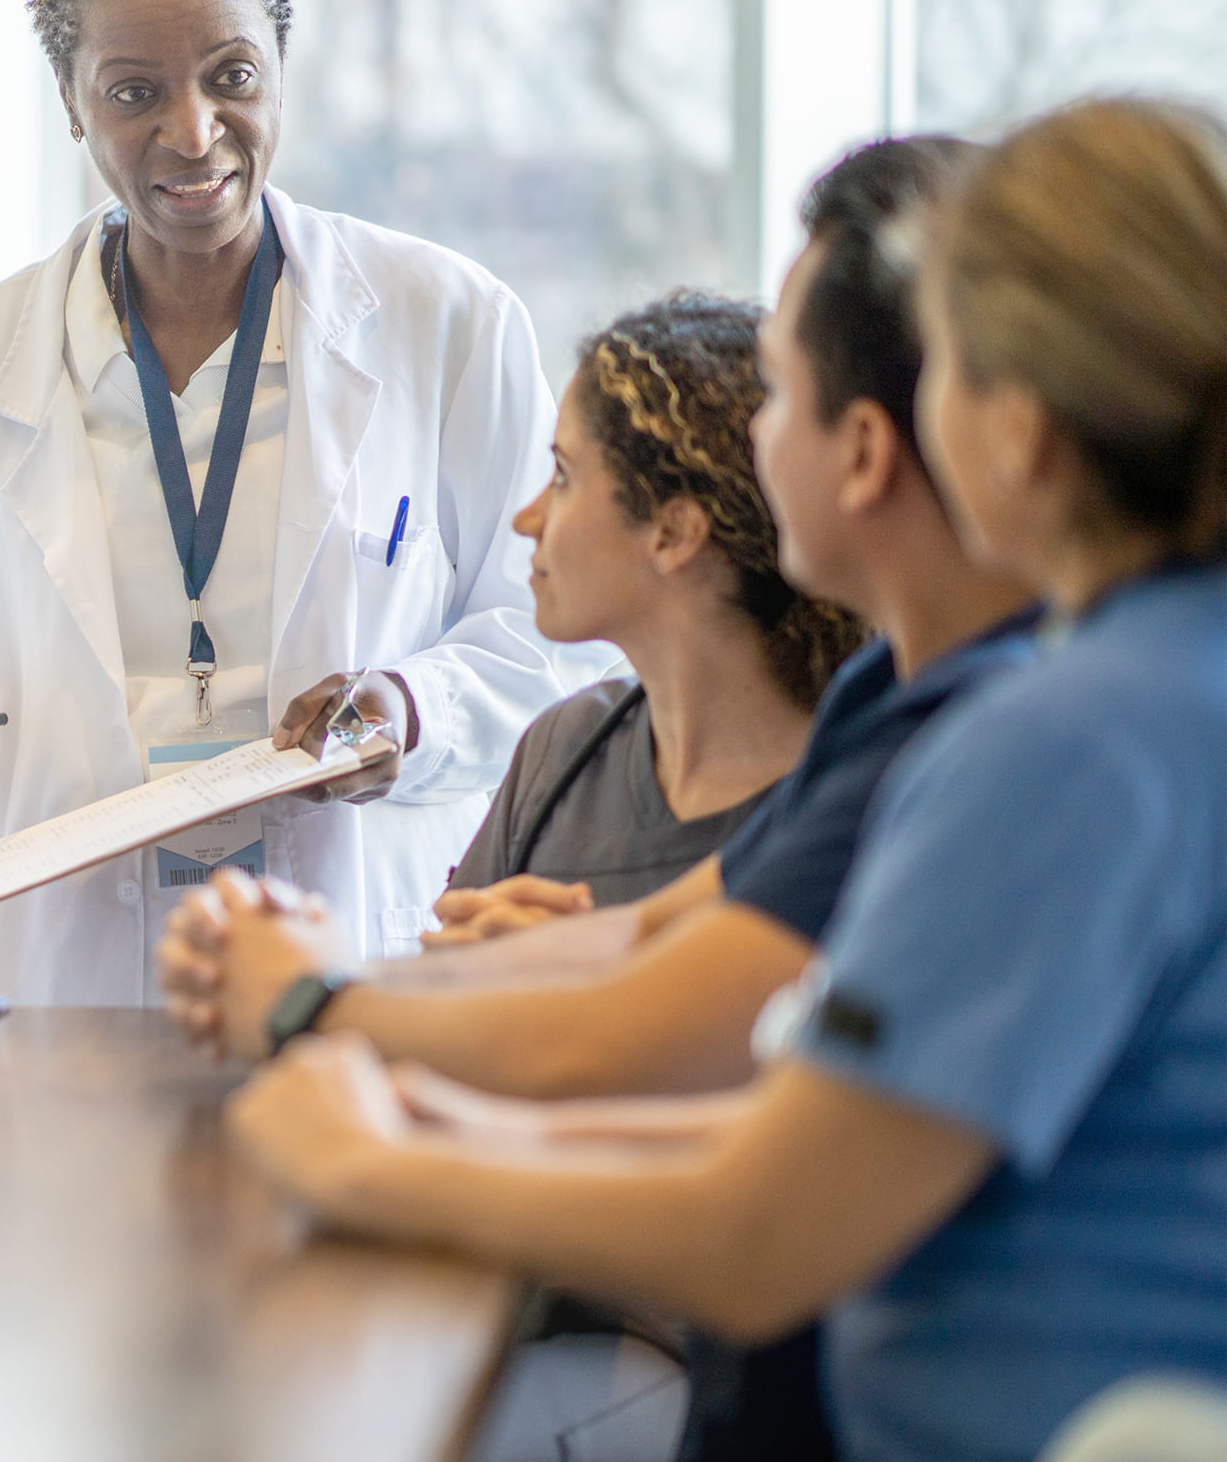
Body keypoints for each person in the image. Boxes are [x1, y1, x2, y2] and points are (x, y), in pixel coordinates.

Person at [229, 97, 1227, 1462]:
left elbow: (760, 1228)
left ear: (1020, 429)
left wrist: (367, 1146)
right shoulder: (1153, 682)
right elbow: (768, 1108)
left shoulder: (1069, 740)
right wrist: (436, 1108)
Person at [0, 0, 595, 998]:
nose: (195, 131)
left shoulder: (447, 325)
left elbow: (559, 639)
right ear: (71, 104)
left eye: (232, 76)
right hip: (60, 981)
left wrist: (412, 708)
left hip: (349, 952)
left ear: (280, 73)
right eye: (133, 91)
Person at [430, 293, 865, 940]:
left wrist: (540, 985)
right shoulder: (564, 749)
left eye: (563, 476)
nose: (526, 521)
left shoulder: (852, 799)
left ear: (672, 531)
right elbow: (436, 1002)